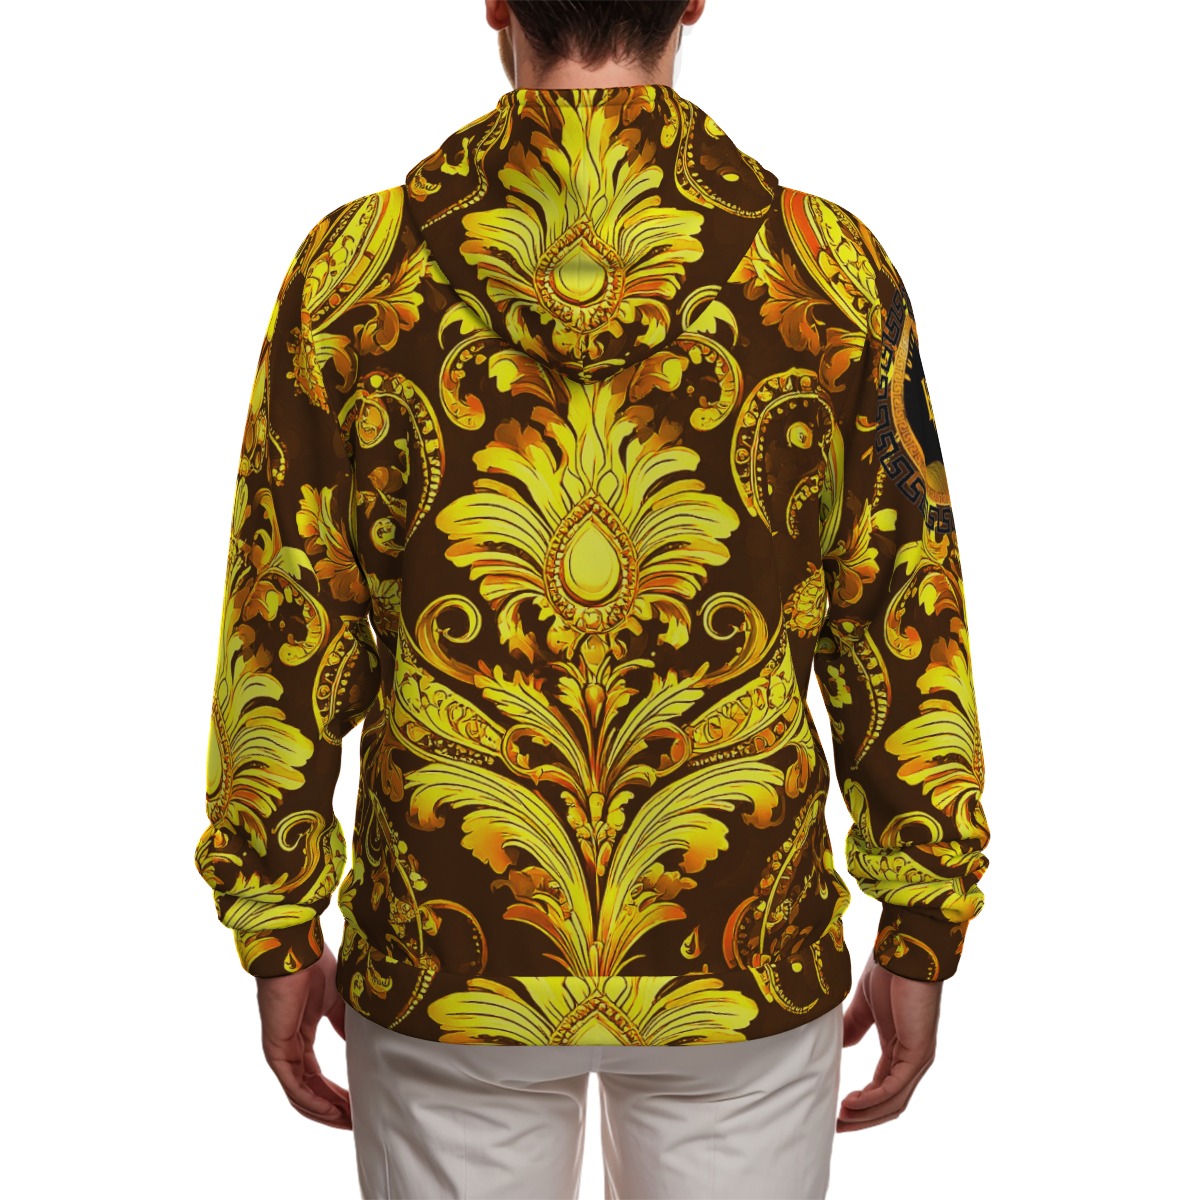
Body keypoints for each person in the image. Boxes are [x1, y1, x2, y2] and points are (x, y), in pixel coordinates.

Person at [194, 1, 991, 1196]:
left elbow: (287, 617)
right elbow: (903, 611)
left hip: (453, 943)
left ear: (496, 2)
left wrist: (277, 922)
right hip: (738, 937)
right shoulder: (825, 272)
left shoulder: (357, 273)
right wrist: (923, 924)